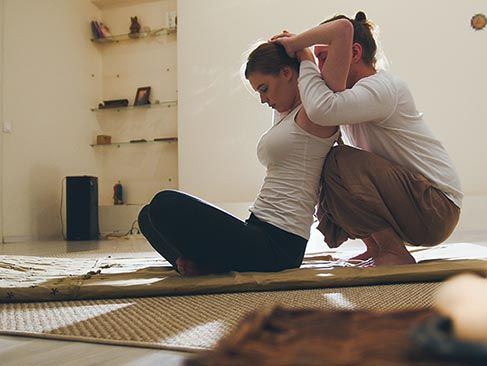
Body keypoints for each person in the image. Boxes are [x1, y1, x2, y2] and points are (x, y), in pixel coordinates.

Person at [137, 37, 345, 275]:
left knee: (165, 203)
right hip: (256, 227)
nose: (263, 99)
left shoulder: (315, 114)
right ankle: (198, 263)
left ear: (287, 73)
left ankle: (201, 263)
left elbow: (343, 30)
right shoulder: (285, 114)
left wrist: (303, 50)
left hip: (280, 246)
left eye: (264, 88)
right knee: (147, 216)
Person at [271, 11, 463, 266]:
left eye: (323, 57)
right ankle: (377, 247)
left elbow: (321, 109)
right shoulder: (349, 95)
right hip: (414, 204)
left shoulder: (382, 88)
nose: (319, 67)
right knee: (325, 161)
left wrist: (303, 53)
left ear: (353, 53)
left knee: (339, 160)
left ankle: (392, 250)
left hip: (437, 206)